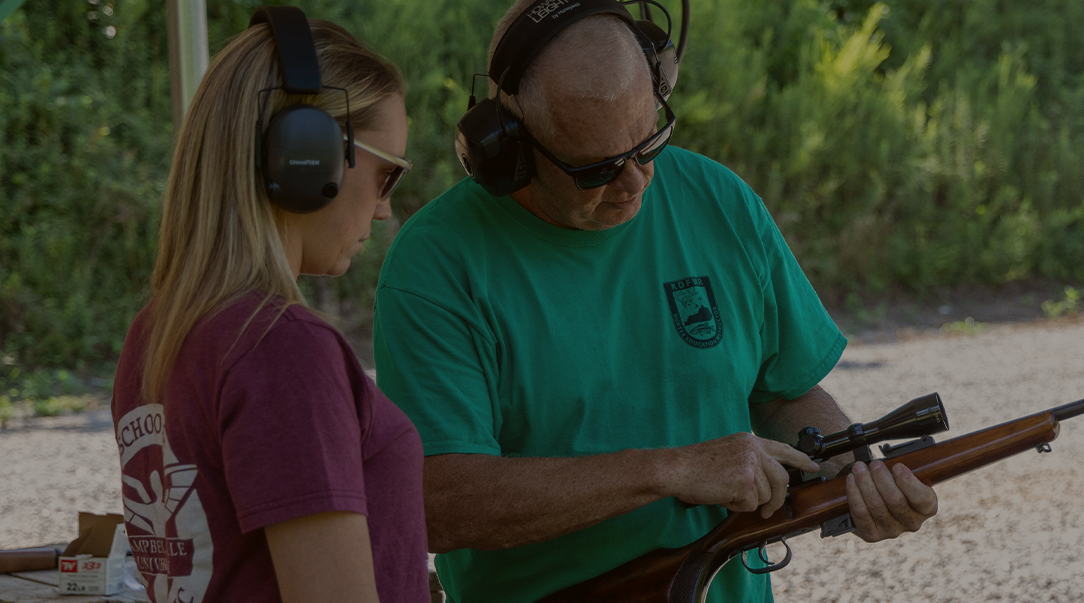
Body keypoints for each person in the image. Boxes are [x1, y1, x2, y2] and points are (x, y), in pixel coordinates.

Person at [370, 0, 937, 601]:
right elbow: (440, 502)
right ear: (507, 146)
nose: (635, 181)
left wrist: (857, 474)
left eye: (648, 143)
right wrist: (672, 471)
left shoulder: (720, 200)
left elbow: (783, 391)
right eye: (596, 168)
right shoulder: (437, 263)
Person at [109, 7, 424, 603]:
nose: (385, 209)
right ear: (306, 155)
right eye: (386, 175)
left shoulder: (156, 332)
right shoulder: (283, 348)